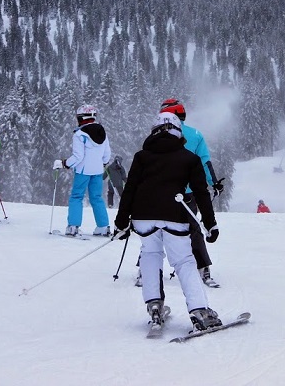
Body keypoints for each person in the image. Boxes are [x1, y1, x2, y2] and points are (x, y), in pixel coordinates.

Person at [114, 112, 222, 331]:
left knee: (150, 255)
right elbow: (201, 192)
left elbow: (130, 190)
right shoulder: (189, 158)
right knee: (183, 261)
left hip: (143, 217)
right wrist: (210, 224)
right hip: (175, 215)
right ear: (178, 133)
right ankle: (200, 312)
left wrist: (121, 222)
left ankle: (154, 307)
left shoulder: (142, 156)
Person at [159, 98, 223, 287]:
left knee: (158, 228)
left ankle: (144, 270)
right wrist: (214, 183)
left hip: (164, 190)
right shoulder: (195, 134)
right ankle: (204, 269)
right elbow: (205, 161)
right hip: (188, 192)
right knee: (194, 229)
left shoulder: (159, 135)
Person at [53, 105, 112, 237]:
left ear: (81, 118)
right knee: (97, 198)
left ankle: (73, 227)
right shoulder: (103, 133)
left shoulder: (79, 134)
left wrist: (65, 163)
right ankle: (103, 227)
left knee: (76, 197)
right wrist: (101, 163)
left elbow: (78, 157)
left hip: (83, 171)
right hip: (97, 171)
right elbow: (107, 155)